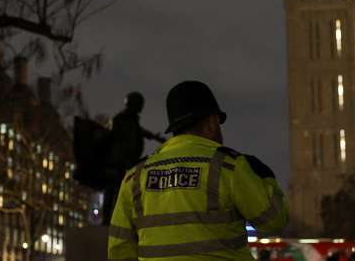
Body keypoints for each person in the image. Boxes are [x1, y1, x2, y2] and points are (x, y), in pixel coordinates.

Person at [108, 80, 289, 260]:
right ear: (212, 123)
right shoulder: (229, 166)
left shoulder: (135, 175)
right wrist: (266, 178)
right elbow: (274, 221)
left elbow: (119, 249)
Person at [102, 92, 166, 223]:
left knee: (123, 191)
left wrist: (155, 137)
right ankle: (107, 219)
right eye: (140, 104)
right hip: (117, 163)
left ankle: (119, 219)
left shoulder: (132, 120)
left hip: (127, 162)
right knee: (112, 191)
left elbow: (140, 131)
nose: (141, 108)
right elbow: (111, 139)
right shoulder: (120, 119)